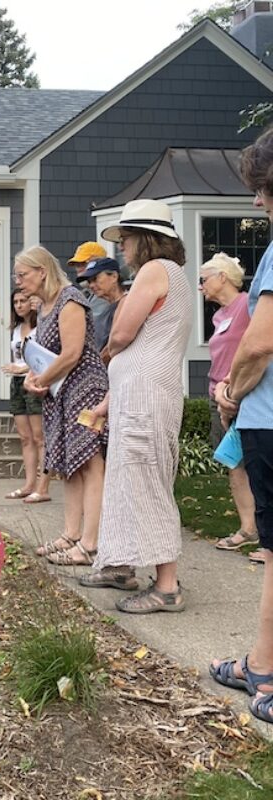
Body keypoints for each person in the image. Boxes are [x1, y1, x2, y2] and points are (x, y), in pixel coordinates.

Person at [82, 199, 192, 611]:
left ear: (146, 240)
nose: (121, 249)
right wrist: (107, 402)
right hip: (142, 393)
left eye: (125, 240)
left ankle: (167, 587)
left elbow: (124, 333)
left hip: (146, 396)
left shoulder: (155, 270)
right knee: (128, 481)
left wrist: (109, 349)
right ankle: (120, 564)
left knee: (146, 481)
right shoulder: (172, 274)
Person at [210, 127, 273, 724]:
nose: (257, 201)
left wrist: (232, 390)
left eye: (261, 189)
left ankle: (264, 669)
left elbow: (260, 343)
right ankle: (260, 662)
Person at [19, 246, 108, 567]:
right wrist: (33, 376)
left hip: (86, 392)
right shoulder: (44, 306)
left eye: (23, 274)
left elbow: (71, 353)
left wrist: (41, 379)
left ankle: (91, 544)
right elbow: (44, 353)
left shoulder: (71, 300)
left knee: (91, 463)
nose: (19, 281)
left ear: (42, 271)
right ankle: (70, 535)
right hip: (60, 394)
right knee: (70, 464)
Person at [198, 253, 258, 560]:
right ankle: (248, 529)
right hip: (218, 396)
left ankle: (264, 533)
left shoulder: (248, 305)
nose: (200, 287)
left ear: (223, 277)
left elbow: (256, 349)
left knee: (258, 464)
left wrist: (233, 388)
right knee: (234, 464)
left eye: (203, 279)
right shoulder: (219, 316)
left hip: (245, 395)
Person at [2, 289, 51, 503]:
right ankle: (29, 483)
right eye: (15, 302)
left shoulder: (40, 326)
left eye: (23, 301)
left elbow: (43, 359)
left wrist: (22, 370)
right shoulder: (16, 329)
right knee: (25, 437)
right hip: (17, 384)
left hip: (35, 381)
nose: (19, 305)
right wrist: (15, 370)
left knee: (39, 437)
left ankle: (43, 486)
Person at [75, 257, 127, 356]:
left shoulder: (126, 305)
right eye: (89, 281)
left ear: (114, 276)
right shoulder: (107, 308)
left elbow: (114, 345)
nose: (91, 285)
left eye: (95, 279)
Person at [68, 241, 111, 333]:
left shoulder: (104, 295)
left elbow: (89, 328)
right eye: (76, 265)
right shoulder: (87, 293)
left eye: (82, 264)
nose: (78, 269)